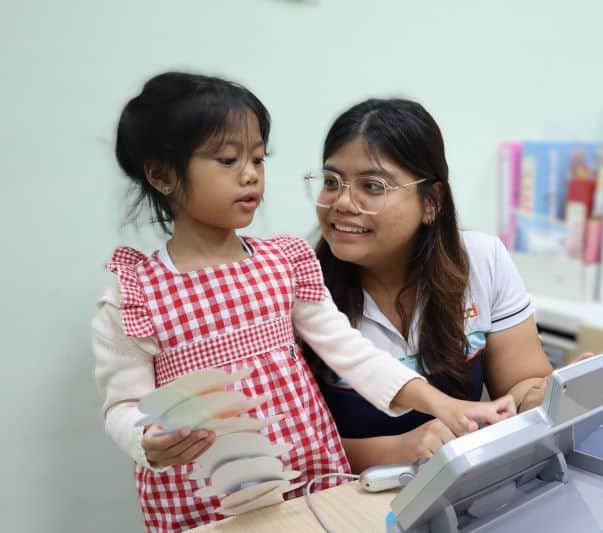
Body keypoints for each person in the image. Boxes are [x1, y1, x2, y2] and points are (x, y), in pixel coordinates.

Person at [91, 73, 514, 532]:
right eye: (228, 159)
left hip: (307, 484)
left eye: (257, 158)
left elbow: (353, 354)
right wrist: (144, 440)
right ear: (161, 175)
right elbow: (122, 405)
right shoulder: (134, 295)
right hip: (202, 496)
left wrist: (442, 405)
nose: (251, 174)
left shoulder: (284, 264)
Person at [304, 98, 554, 473]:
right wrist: (400, 448)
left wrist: (544, 396)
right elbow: (294, 448)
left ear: (431, 201)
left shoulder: (481, 260)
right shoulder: (297, 287)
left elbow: (524, 382)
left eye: (371, 186)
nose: (341, 202)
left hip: (459, 492)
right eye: (330, 182)